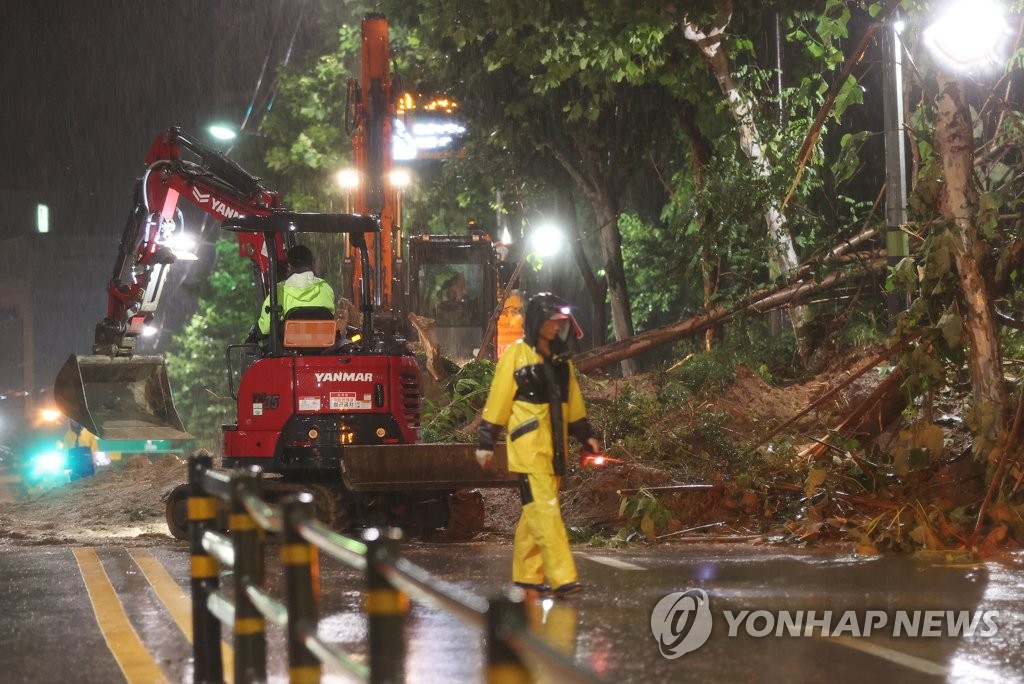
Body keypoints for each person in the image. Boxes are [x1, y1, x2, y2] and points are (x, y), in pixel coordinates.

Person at [475, 293, 600, 598]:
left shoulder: (561, 361)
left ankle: (527, 577)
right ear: (537, 322)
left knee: (535, 513)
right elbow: (499, 399)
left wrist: (586, 436)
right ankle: (563, 578)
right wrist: (486, 441)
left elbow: (574, 404)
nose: (557, 326)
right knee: (545, 512)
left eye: (560, 322)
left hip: (554, 450)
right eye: (552, 321)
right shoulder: (516, 356)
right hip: (529, 449)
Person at [257, 244, 335, 336]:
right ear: (312, 264)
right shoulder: (325, 288)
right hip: (323, 344)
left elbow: (265, 328)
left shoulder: (278, 292)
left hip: (289, 345)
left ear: (289, 266)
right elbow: (331, 319)